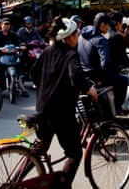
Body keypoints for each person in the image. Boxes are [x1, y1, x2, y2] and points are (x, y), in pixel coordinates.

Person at [30, 17, 97, 187]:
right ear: (70, 37)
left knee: (38, 151)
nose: (78, 36)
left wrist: (47, 86)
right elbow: (76, 76)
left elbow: (33, 73)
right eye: (77, 33)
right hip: (60, 112)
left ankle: (16, 177)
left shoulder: (47, 51)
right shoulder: (70, 53)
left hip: (42, 107)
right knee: (74, 153)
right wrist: (89, 89)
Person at [77, 12, 129, 117]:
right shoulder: (101, 40)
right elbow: (105, 64)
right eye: (108, 24)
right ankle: (118, 110)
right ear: (102, 25)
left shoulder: (82, 35)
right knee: (123, 80)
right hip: (95, 76)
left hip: (83, 74)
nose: (109, 27)